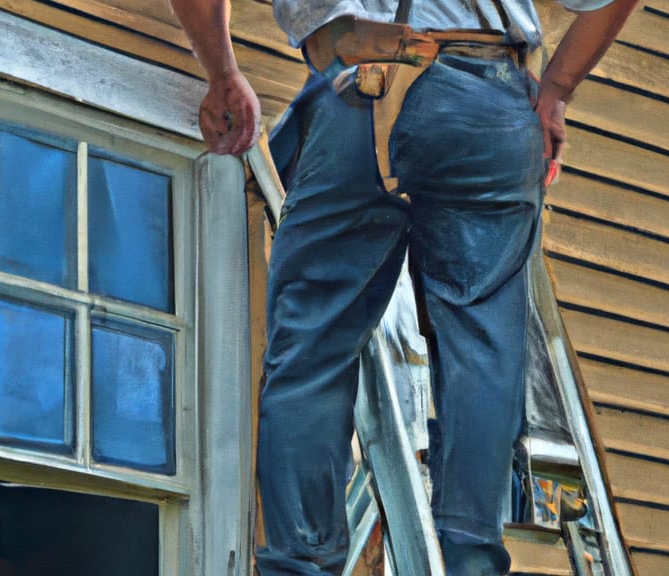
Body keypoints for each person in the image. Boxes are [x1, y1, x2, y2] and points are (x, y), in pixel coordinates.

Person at [170, 0, 638, 574]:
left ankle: (301, 563)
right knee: (482, 347)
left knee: (313, 348)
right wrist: (557, 89)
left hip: (356, 90)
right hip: (488, 100)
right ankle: (471, 559)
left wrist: (222, 73)